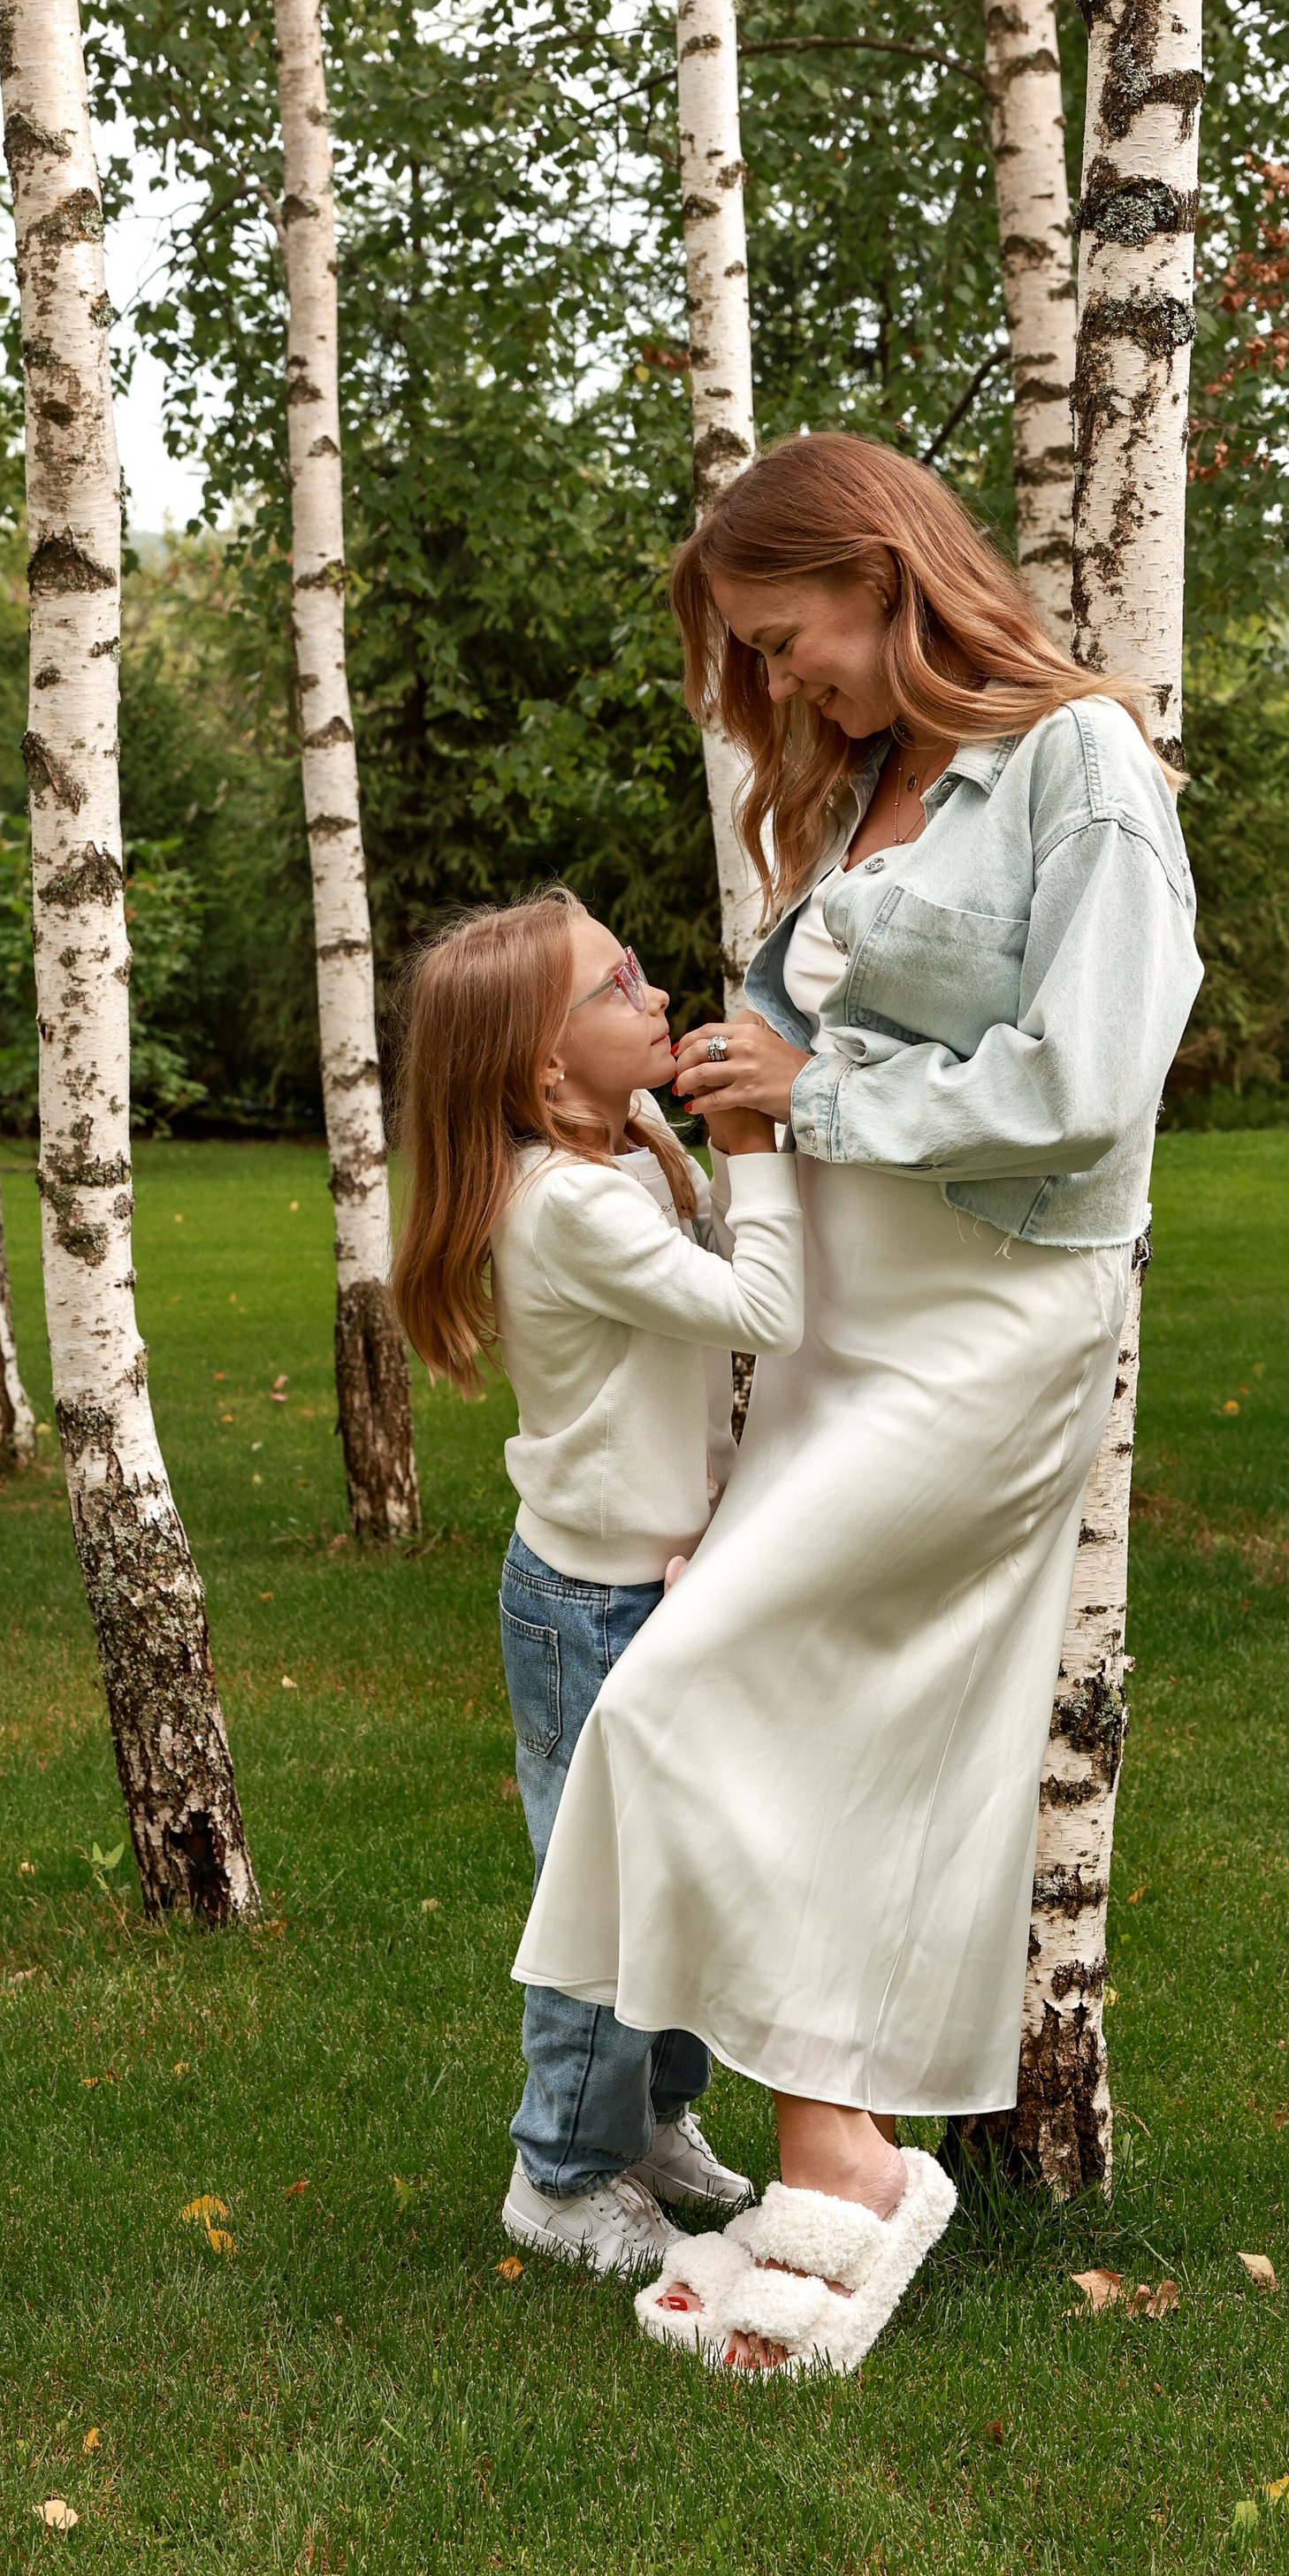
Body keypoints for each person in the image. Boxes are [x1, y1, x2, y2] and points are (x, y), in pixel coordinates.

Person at [514, 432, 1203, 2378]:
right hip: (833, 1325)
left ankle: (852, 2165)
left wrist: (810, 1097)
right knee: (808, 1726)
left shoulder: (1077, 762)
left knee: (699, 1685)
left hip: (988, 1317)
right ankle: (843, 2151)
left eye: (787, 634)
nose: (780, 681)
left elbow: (1086, 1078)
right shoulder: (852, 792)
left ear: (889, 574)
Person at [391, 891, 806, 2276]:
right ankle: (559, 2172)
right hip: (593, 1606)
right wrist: (759, 1145)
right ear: (540, 1068)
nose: (651, 991)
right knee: (608, 1896)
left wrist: (692, 1134)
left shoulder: (622, 1143)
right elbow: (761, 1308)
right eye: (615, 985)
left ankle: (651, 2121)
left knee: (687, 1872)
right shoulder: (562, 1203)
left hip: (662, 1577)